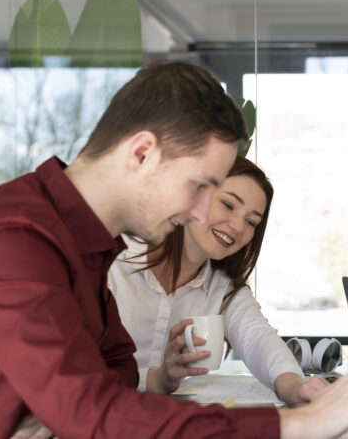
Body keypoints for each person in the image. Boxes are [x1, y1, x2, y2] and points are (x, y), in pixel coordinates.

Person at [0, 62, 348, 439]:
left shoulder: (87, 246)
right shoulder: (15, 239)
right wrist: (296, 424)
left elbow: (116, 376)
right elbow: (93, 412)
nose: (201, 213)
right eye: (199, 186)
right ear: (142, 153)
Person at [109, 156, 325, 405]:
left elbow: (259, 339)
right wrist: (154, 380)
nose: (237, 226)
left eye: (251, 221)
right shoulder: (113, 260)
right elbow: (82, 372)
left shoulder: (222, 287)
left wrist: (297, 388)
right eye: (228, 205)